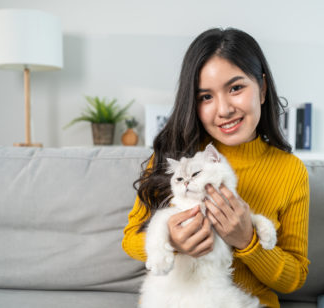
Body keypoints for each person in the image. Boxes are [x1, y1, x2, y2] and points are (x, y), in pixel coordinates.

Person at [122, 27, 309, 308]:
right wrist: (172, 241)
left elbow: (294, 278)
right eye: (205, 97)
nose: (223, 110)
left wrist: (248, 242)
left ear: (262, 88)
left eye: (235, 88)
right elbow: (130, 239)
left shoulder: (290, 171)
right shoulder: (177, 157)